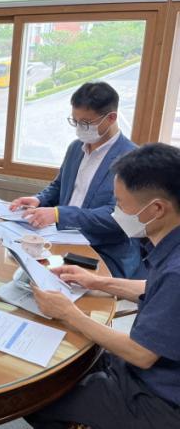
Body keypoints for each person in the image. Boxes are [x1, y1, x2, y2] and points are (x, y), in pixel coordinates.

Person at [26, 143, 180, 428]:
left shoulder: (176, 270)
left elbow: (141, 353)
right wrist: (97, 281)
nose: (116, 212)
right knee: (64, 367)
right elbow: (154, 288)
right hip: (146, 371)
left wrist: (69, 313)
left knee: (37, 399)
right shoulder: (171, 245)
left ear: (157, 208)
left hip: (159, 398)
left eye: (120, 204)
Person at [10, 82, 140, 278]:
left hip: (102, 251)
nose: (80, 128)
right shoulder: (75, 148)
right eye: (75, 121)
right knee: (19, 269)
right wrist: (39, 199)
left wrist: (59, 214)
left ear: (111, 118)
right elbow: (59, 186)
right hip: (61, 238)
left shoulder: (132, 159)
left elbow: (117, 217)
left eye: (86, 123)